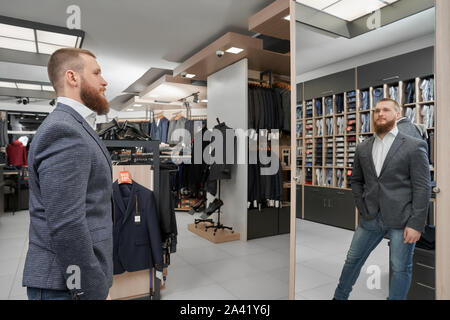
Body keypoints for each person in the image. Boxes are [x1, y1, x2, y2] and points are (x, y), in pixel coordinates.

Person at [23, 48, 113, 300]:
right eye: (96, 73)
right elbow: (67, 224)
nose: (104, 81)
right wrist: (92, 289)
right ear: (72, 78)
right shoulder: (64, 130)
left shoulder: (75, 125)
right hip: (66, 285)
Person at [333, 98, 431, 300]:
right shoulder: (363, 147)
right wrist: (361, 205)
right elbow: (357, 181)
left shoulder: (414, 145)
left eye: (386, 110)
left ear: (397, 115)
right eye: (377, 110)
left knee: (400, 268)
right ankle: (339, 297)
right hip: (370, 217)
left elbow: (422, 187)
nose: (380, 114)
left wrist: (416, 224)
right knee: (352, 260)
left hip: (401, 220)